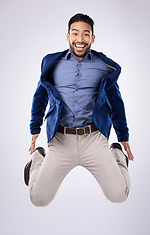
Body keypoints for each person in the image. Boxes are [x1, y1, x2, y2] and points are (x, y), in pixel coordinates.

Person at [24, 13, 134, 207]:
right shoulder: (52, 64)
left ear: (92, 38)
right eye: (75, 34)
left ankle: (116, 155)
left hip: (94, 139)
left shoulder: (104, 66)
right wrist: (35, 130)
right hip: (61, 140)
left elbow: (116, 102)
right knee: (38, 199)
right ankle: (38, 159)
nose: (80, 40)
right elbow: (40, 96)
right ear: (68, 36)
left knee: (119, 195)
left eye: (85, 34)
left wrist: (123, 137)